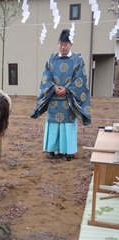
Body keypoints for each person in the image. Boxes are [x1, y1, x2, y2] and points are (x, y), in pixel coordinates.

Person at [31, 29, 91, 160]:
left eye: (65, 44)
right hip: (54, 98)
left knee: (67, 126)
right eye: (61, 44)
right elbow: (46, 77)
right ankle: (52, 150)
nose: (63, 47)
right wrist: (53, 87)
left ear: (71, 45)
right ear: (58, 44)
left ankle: (68, 151)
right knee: (53, 124)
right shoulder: (51, 59)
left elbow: (80, 79)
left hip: (68, 99)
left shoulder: (77, 60)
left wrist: (67, 89)